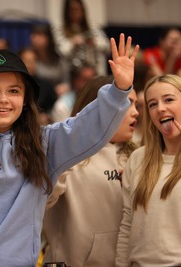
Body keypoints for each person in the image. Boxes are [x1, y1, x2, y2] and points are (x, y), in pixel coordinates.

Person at [0, 12, 138, 266]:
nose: (3, 99)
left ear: (25, 100)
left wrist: (119, 92)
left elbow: (86, 128)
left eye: (14, 90)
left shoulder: (44, 144)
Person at [42, 75, 139, 267]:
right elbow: (41, 201)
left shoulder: (138, 157)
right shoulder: (66, 153)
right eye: (127, 103)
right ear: (98, 108)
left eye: (137, 105)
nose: (136, 112)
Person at [115, 74, 181, 266]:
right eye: (152, 104)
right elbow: (127, 223)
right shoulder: (137, 159)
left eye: (169, 100)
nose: (160, 108)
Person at [53, 0, 110, 76]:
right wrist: (73, 43)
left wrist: (94, 42)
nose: (76, 13)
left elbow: (107, 47)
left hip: (94, 71)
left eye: (79, 9)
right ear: (67, 12)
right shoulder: (60, 29)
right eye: (73, 10)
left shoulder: (92, 27)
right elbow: (61, 52)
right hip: (71, 74)